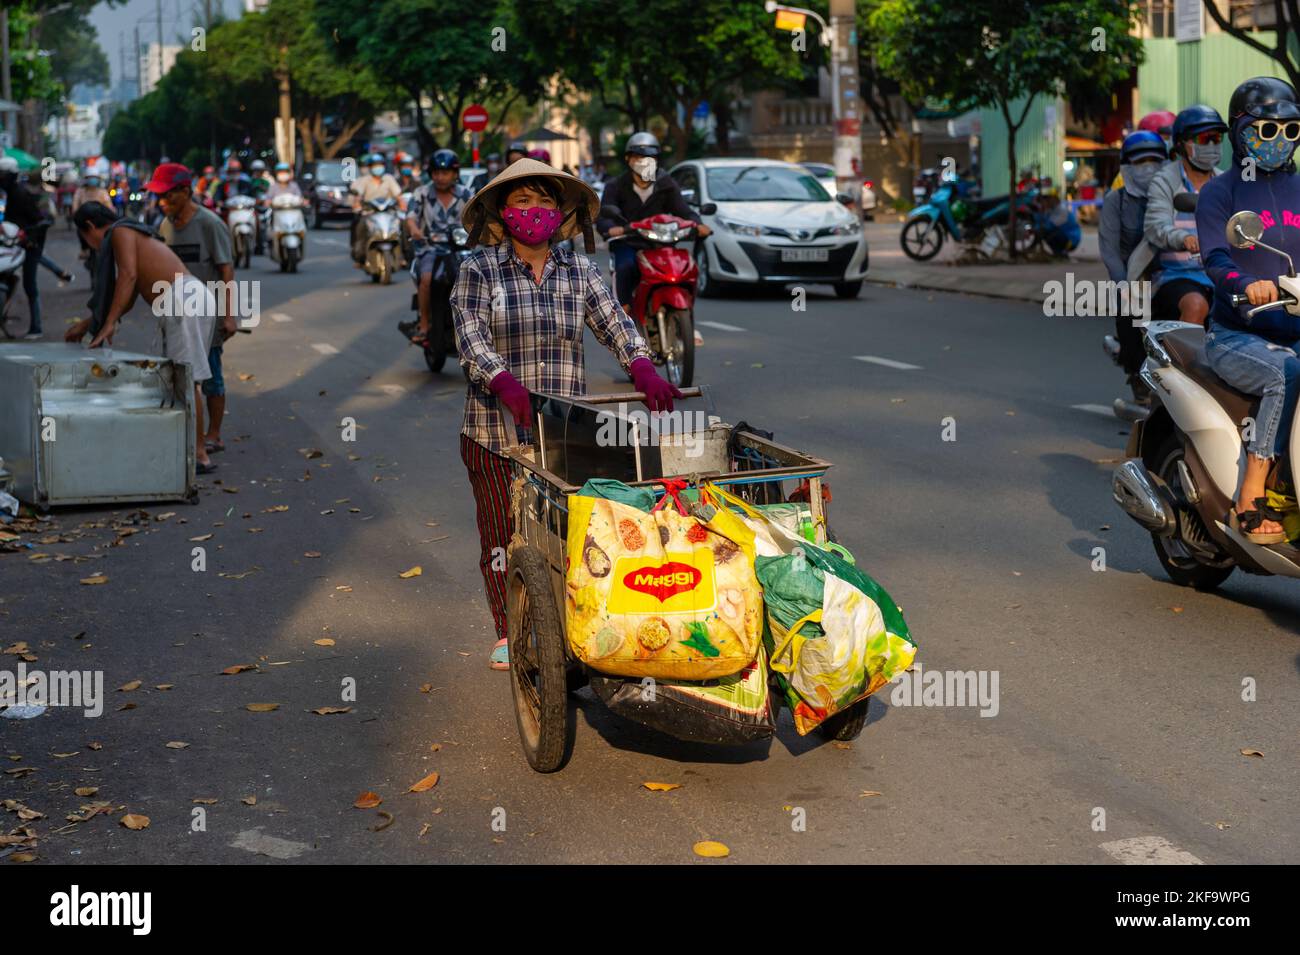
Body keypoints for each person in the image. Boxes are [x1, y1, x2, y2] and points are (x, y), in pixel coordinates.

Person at [451, 158, 681, 669]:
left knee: (573, 531)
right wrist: (504, 382)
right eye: (523, 201)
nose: (536, 211)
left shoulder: (579, 270)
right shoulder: (477, 270)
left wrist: (642, 366)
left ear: (562, 212)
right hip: (494, 433)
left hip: (562, 432)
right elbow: (470, 337)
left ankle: (576, 621)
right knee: (503, 535)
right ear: (502, 212)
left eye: (546, 201)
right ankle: (508, 628)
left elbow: (615, 322)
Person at [1197, 76, 1300, 544]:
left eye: (1290, 131)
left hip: (1294, 324)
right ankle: (1252, 493)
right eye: (1267, 130)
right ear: (1241, 131)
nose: (1279, 142)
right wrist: (1246, 284)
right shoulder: (1222, 192)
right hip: (1237, 333)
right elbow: (1217, 258)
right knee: (1287, 373)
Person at [64, 201, 219, 474]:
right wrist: (89, 324)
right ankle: (187, 448)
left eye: (86, 239)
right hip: (188, 298)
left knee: (187, 380)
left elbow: (128, 276)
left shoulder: (121, 232)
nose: (90, 246)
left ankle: (199, 454)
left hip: (183, 301)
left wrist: (109, 324)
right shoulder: (130, 232)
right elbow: (129, 295)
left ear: (89, 227)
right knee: (181, 378)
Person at [148, 162, 238, 460]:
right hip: (179, 313)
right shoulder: (164, 226)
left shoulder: (210, 224)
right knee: (184, 374)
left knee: (210, 373)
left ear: (186, 192)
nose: (162, 202)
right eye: (159, 197)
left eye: (168, 196)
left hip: (207, 313)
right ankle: (192, 433)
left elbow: (226, 270)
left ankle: (214, 434)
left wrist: (228, 314)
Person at [595, 131, 711, 341]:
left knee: (684, 267)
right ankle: (624, 320)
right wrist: (612, 228)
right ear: (628, 159)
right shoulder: (615, 185)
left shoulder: (666, 183)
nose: (644, 162)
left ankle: (687, 321)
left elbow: (683, 210)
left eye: (650, 158)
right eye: (638, 157)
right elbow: (604, 216)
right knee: (625, 267)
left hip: (660, 244)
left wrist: (698, 224)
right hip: (627, 242)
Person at [1140, 104, 1228, 326]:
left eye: (1216, 139)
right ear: (1181, 144)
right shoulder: (1165, 181)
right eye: (1203, 139)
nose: (1211, 145)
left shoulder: (1226, 183)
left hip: (1222, 275)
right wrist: (1183, 238)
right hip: (1177, 275)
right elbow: (1156, 226)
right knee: (1196, 306)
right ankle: (1184, 362)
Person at [1099, 129, 1168, 384]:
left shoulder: (1175, 198)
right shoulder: (1115, 202)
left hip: (1173, 273)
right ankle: (1136, 373)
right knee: (1131, 312)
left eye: (1154, 161)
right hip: (1133, 278)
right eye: (1140, 162)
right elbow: (1109, 250)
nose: (1148, 168)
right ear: (1127, 166)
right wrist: (1124, 285)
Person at [404, 149, 473, 345]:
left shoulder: (466, 193)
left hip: (460, 249)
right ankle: (425, 325)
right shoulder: (422, 193)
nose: (440, 177)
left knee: (474, 280)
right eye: (436, 173)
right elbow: (410, 217)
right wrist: (415, 229)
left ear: (454, 174)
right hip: (430, 247)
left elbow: (479, 216)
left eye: (445, 173)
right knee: (425, 279)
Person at [0, 156, 50, 340]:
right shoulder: (11, 195)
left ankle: (36, 326)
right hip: (16, 244)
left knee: (30, 285)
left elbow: (40, 221)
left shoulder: (20, 194)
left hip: (30, 245)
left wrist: (30, 238)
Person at [349, 153, 402, 264]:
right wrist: (357, 205)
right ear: (370, 167)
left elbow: (398, 196)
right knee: (359, 227)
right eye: (374, 165)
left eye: (379, 165)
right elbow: (358, 196)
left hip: (388, 213)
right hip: (370, 213)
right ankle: (359, 255)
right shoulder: (364, 180)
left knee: (402, 226)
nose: (377, 167)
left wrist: (403, 206)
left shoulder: (389, 179)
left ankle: (405, 255)